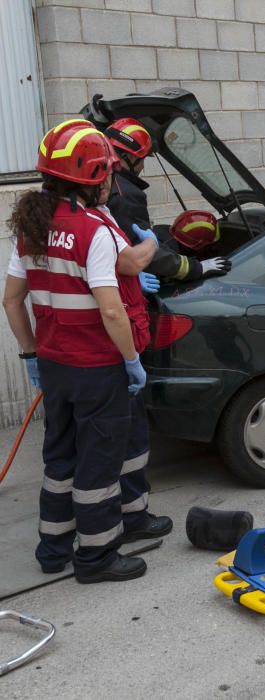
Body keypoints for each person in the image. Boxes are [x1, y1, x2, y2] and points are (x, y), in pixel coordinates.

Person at [2, 120, 166, 583]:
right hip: (97, 367)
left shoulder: (30, 228)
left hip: (54, 366)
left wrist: (30, 354)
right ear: (98, 178)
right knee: (99, 461)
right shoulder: (93, 230)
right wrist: (131, 360)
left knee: (61, 457)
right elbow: (112, 311)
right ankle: (96, 556)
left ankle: (53, 548)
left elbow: (12, 300)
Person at [105, 118, 230, 282]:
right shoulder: (126, 195)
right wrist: (197, 268)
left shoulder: (105, 183)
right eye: (141, 159)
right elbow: (146, 253)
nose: (142, 167)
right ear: (127, 156)